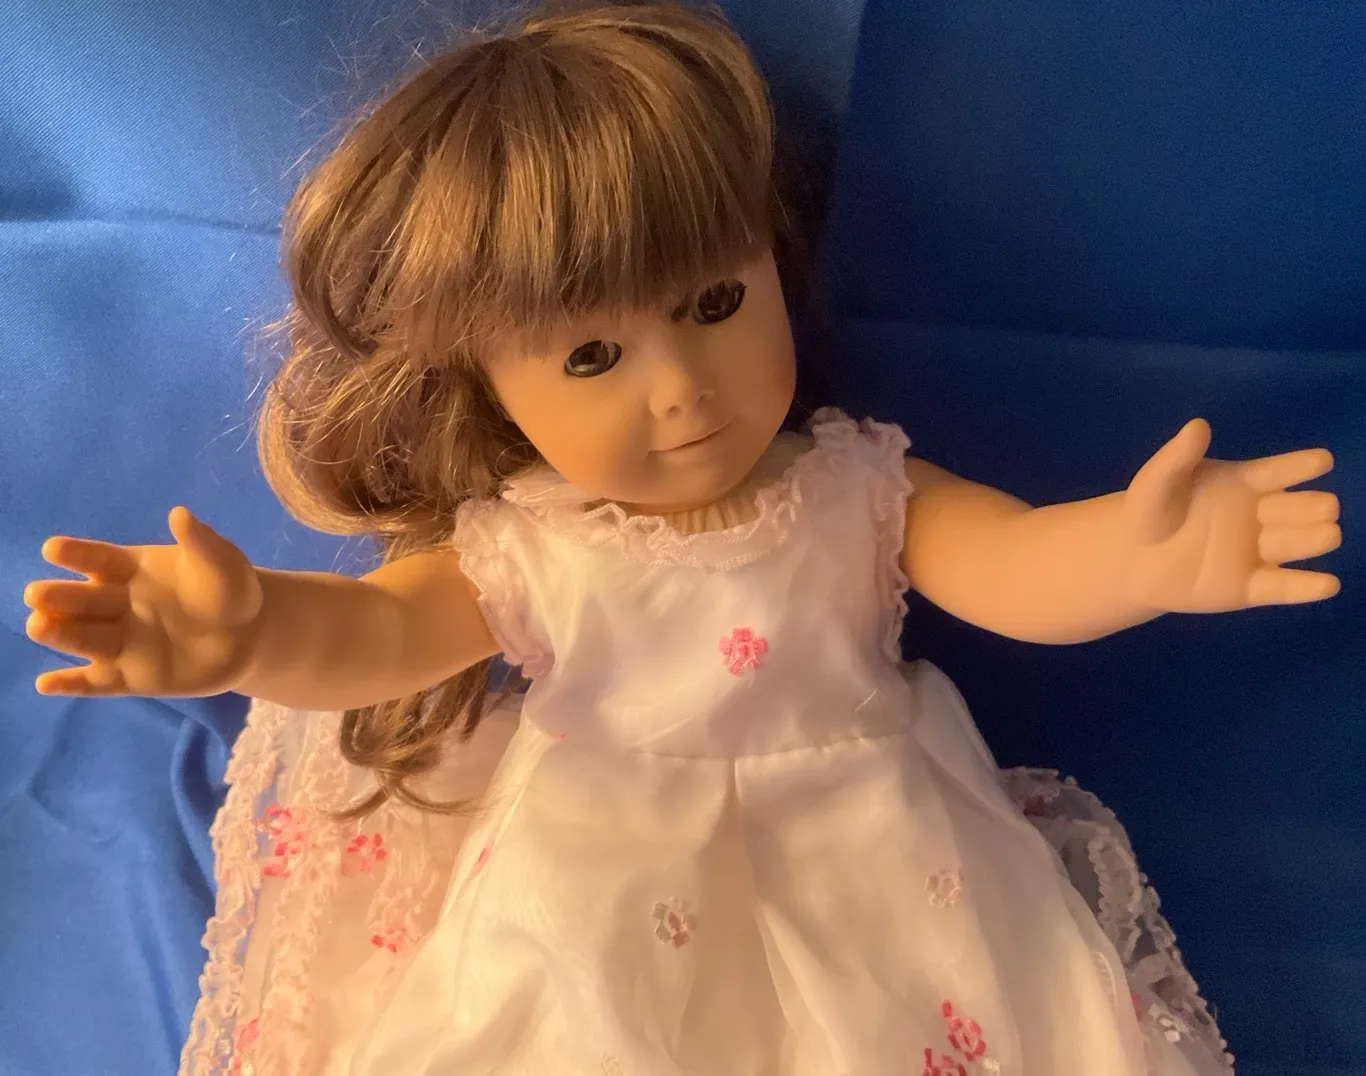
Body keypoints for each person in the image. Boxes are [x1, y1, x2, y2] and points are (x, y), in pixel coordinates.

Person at [22, 3, 1341, 1073]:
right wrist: (257, 630)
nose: (681, 389)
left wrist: (1132, 556)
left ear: (773, 261)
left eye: (715, 303)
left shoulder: (854, 483)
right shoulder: (530, 545)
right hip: (599, 889)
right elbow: (383, 635)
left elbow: (1005, 564)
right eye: (592, 355)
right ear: (488, 383)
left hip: (879, 872)